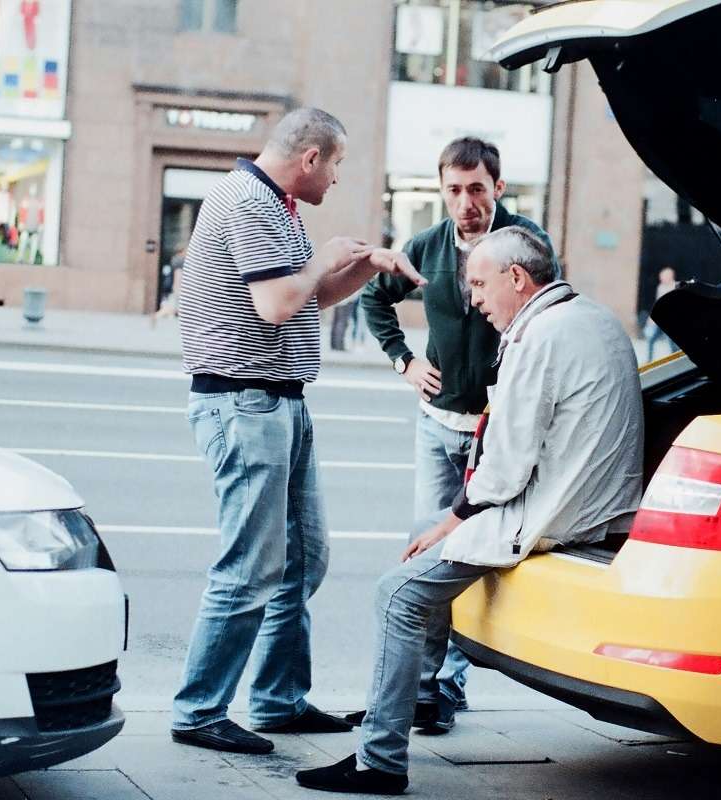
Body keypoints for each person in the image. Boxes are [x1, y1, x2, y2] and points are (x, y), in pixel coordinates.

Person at [296, 227, 644, 795]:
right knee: (419, 583)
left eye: (480, 285)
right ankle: (424, 699)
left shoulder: (541, 340)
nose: (475, 299)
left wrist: (449, 523)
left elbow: (504, 469)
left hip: (549, 515)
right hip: (590, 507)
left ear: (517, 278)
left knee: (397, 594)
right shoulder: (595, 318)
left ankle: (379, 761)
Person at [171, 107, 426, 756]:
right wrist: (324, 259)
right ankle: (199, 710)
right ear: (310, 157)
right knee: (250, 566)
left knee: (302, 559)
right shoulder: (248, 203)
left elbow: (308, 298)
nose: (338, 178)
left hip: (280, 402)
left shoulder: (275, 204)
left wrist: (367, 265)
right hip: (244, 405)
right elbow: (278, 302)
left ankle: (277, 700)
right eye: (337, 163)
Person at [358, 136, 558, 732]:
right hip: (434, 426)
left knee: (466, 555)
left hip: (493, 434)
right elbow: (374, 301)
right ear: (441, 191)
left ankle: (446, 684)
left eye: (476, 188)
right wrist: (404, 361)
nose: (465, 201)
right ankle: (423, 689)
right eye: (453, 190)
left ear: (498, 186)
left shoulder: (527, 246)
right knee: (428, 550)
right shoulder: (426, 247)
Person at [643, 266, 679, 361]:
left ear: (670, 276)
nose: (661, 279)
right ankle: (649, 360)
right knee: (651, 339)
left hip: (670, 319)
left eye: (663, 276)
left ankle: (675, 360)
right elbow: (657, 303)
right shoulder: (661, 287)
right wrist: (651, 318)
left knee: (672, 342)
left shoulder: (675, 286)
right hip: (660, 319)